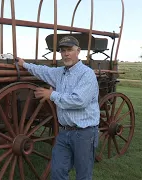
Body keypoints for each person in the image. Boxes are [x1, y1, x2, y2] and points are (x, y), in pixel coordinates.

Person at [17, 35, 100, 180]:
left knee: (83, 175)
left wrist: (52, 95)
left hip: (84, 133)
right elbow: (42, 71)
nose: (66, 54)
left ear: (78, 51)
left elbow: (79, 101)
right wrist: (25, 64)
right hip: (64, 133)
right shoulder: (59, 72)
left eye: (69, 50)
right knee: (57, 171)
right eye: (62, 51)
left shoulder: (87, 74)